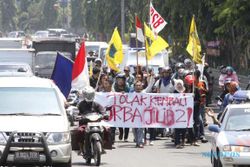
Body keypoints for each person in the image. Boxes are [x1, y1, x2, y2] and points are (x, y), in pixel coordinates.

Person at [77, 86, 106, 157]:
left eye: (90, 94)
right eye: (87, 95)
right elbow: (77, 112)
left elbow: (103, 111)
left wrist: (104, 115)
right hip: (85, 124)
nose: (89, 96)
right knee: (79, 131)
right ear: (84, 95)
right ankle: (81, 149)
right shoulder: (80, 104)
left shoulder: (96, 104)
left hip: (97, 123)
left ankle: (102, 146)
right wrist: (77, 116)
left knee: (107, 130)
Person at [173, 79, 187, 149]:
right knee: (177, 129)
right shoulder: (174, 92)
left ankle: (183, 141)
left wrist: (191, 96)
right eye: (177, 84)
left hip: (184, 113)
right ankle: (177, 142)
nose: (179, 85)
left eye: (180, 84)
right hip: (177, 113)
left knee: (184, 128)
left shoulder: (185, 91)